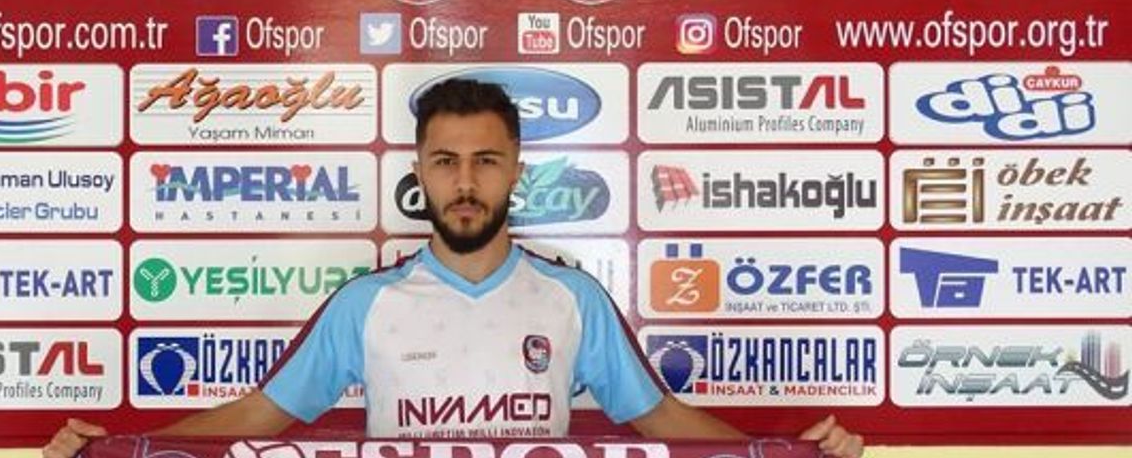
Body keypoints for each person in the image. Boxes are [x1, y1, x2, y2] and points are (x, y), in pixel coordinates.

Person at [45, 79, 864, 458]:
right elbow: (257, 417)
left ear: (515, 172)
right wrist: (123, 451)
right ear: (420, 172)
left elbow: (663, 421)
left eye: (485, 161)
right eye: (445, 161)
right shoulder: (365, 305)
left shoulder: (571, 299)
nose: (464, 183)